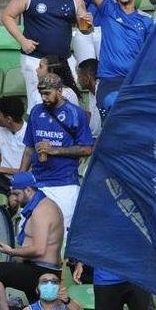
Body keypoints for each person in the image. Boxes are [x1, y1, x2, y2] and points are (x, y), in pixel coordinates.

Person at [71, 0, 153, 116]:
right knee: (112, 104)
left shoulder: (146, 20)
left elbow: (152, 54)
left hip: (133, 81)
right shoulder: (109, 9)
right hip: (110, 80)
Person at [0, 172, 65, 310]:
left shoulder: (42, 210)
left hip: (41, 271)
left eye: (17, 194)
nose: (15, 199)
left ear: (28, 190)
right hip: (36, 268)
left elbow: (39, 250)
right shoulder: (40, 205)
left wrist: (12, 252)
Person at [3, 0, 91, 105]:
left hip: (64, 62)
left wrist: (88, 24)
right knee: (38, 102)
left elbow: (86, 31)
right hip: (36, 60)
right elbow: (7, 16)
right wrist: (22, 40)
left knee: (68, 102)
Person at [21, 71, 94, 236]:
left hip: (64, 183)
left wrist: (55, 150)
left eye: (47, 93)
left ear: (59, 91)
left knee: (63, 233)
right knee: (29, 232)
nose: (44, 98)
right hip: (37, 183)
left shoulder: (75, 113)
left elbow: (87, 149)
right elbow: (29, 149)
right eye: (41, 94)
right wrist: (20, 177)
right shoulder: (36, 112)